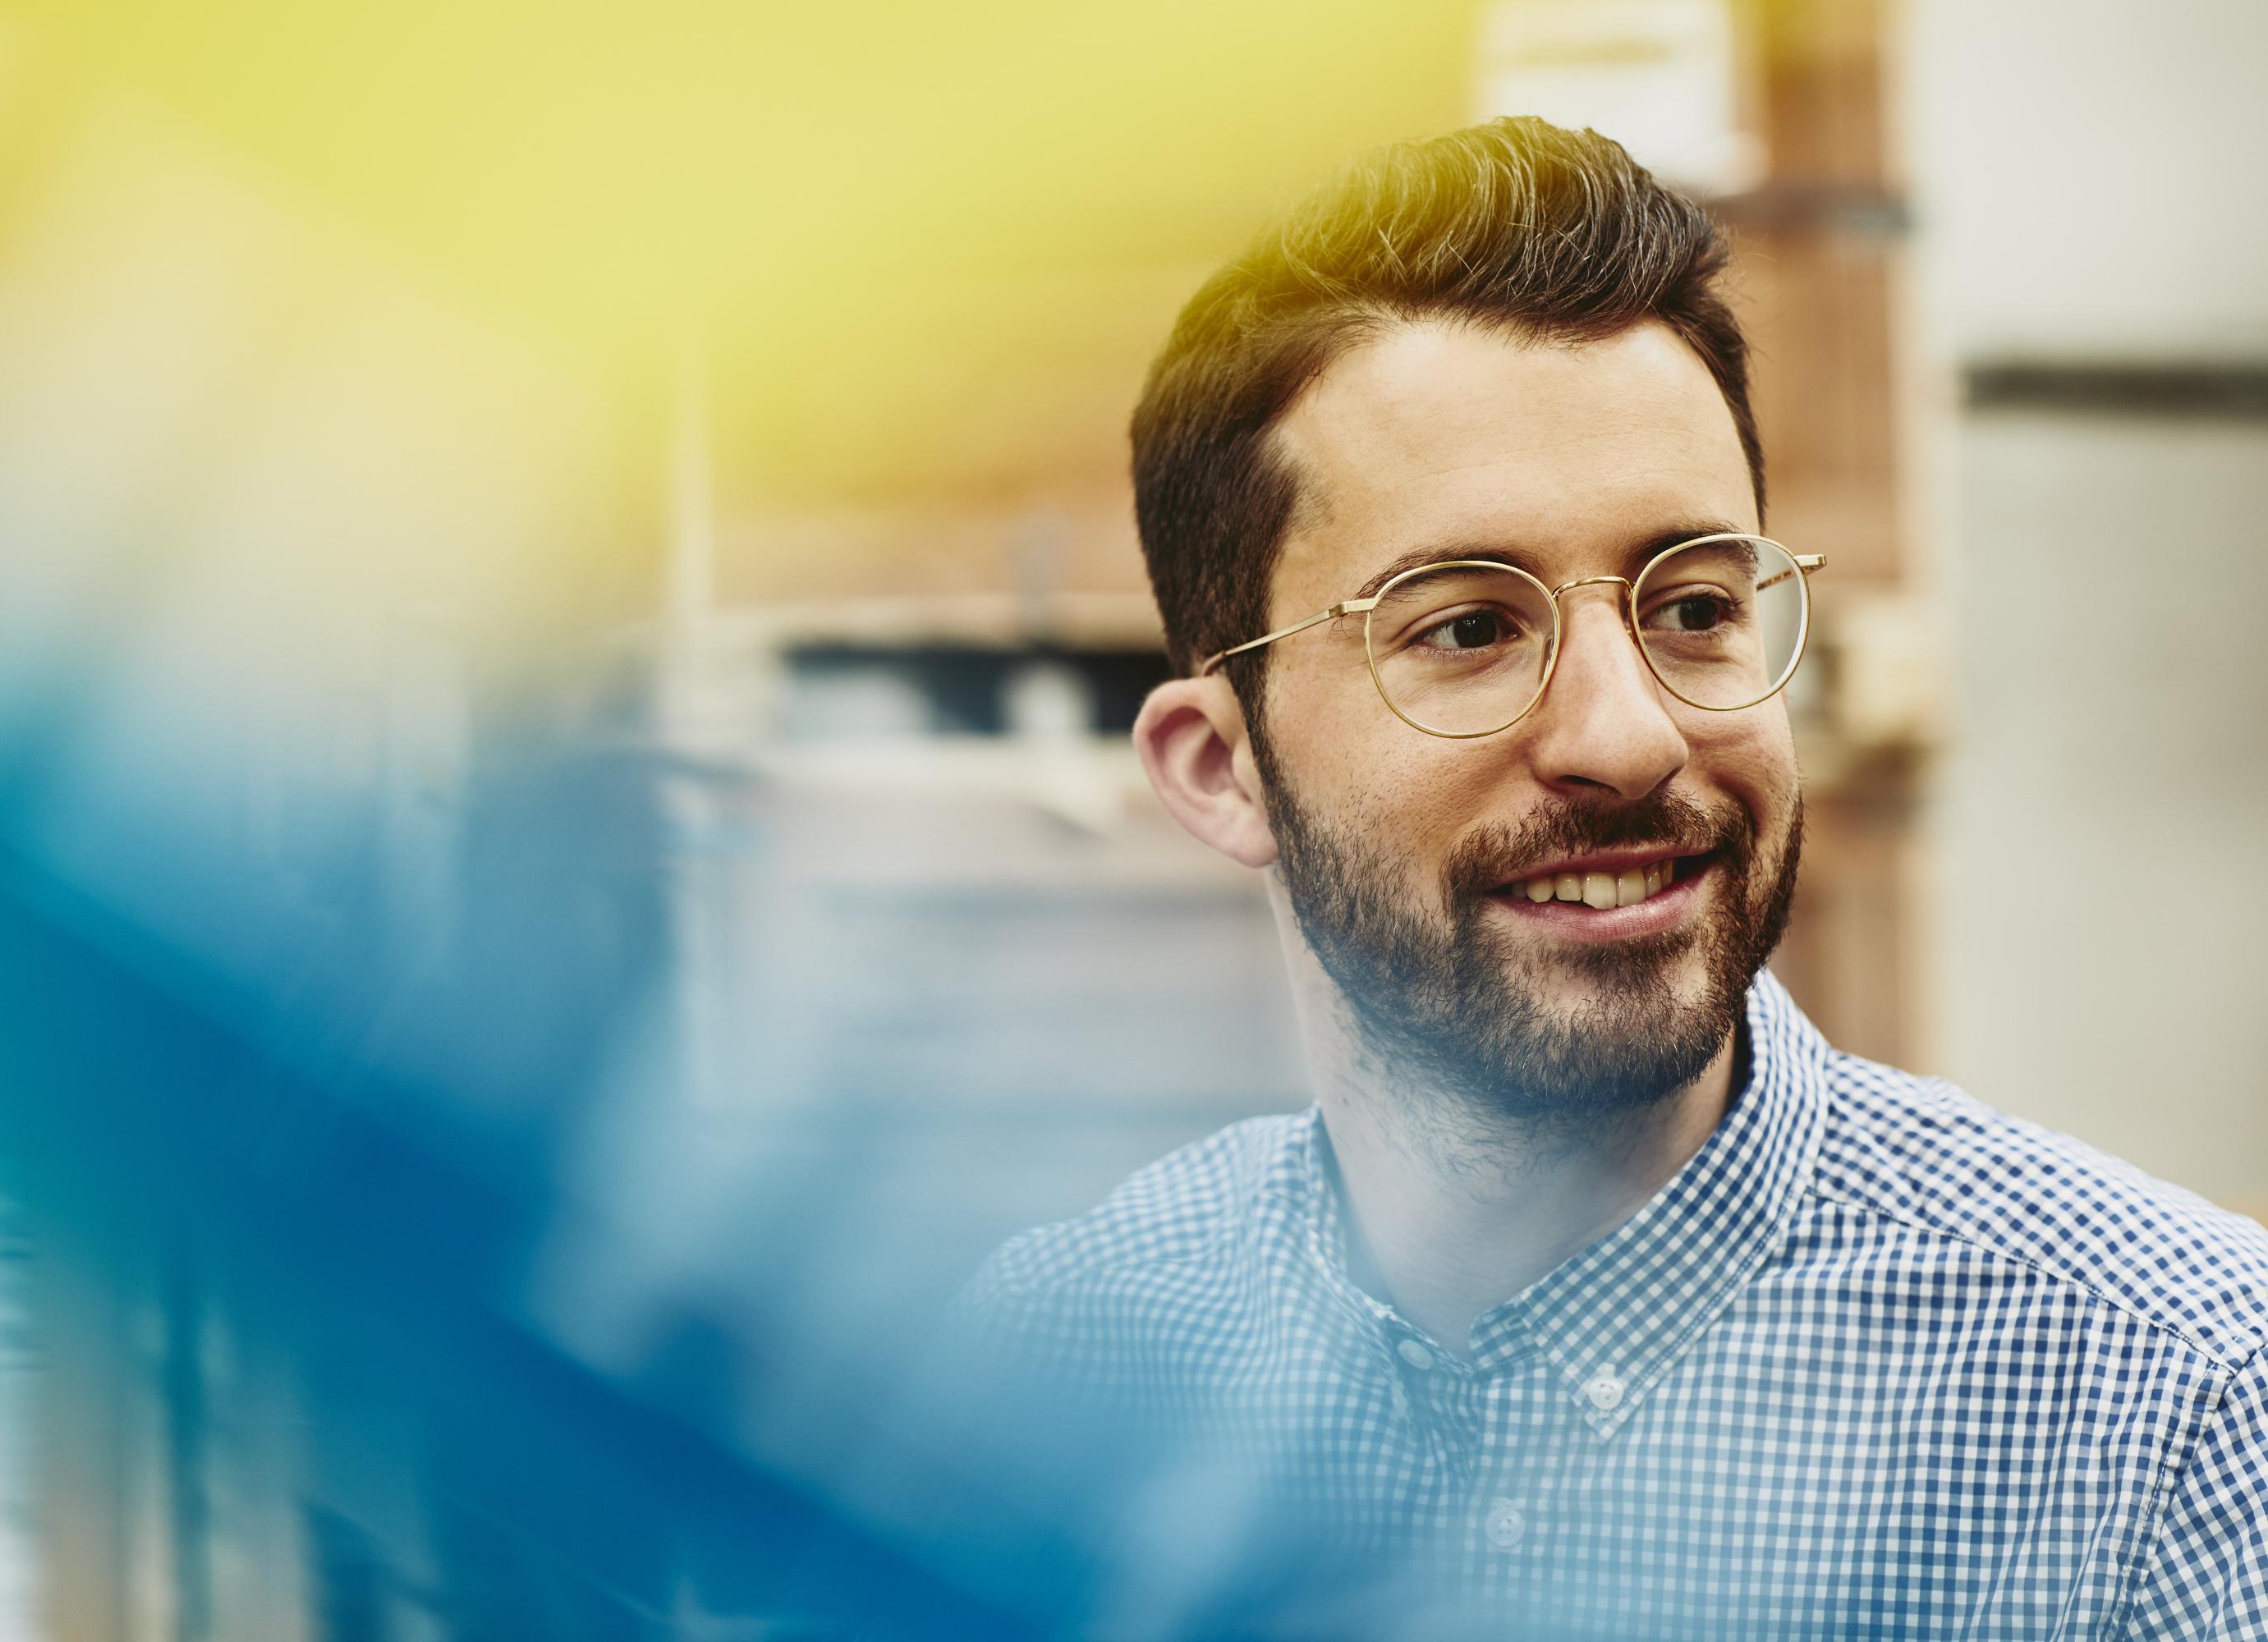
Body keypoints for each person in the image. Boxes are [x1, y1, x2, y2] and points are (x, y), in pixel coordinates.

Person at [952, 118, 2268, 1638]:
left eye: (1696, 604)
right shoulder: (1049, 1372)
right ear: (1218, 766)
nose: (1629, 738)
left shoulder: (2180, 1423)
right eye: (1466, 628)